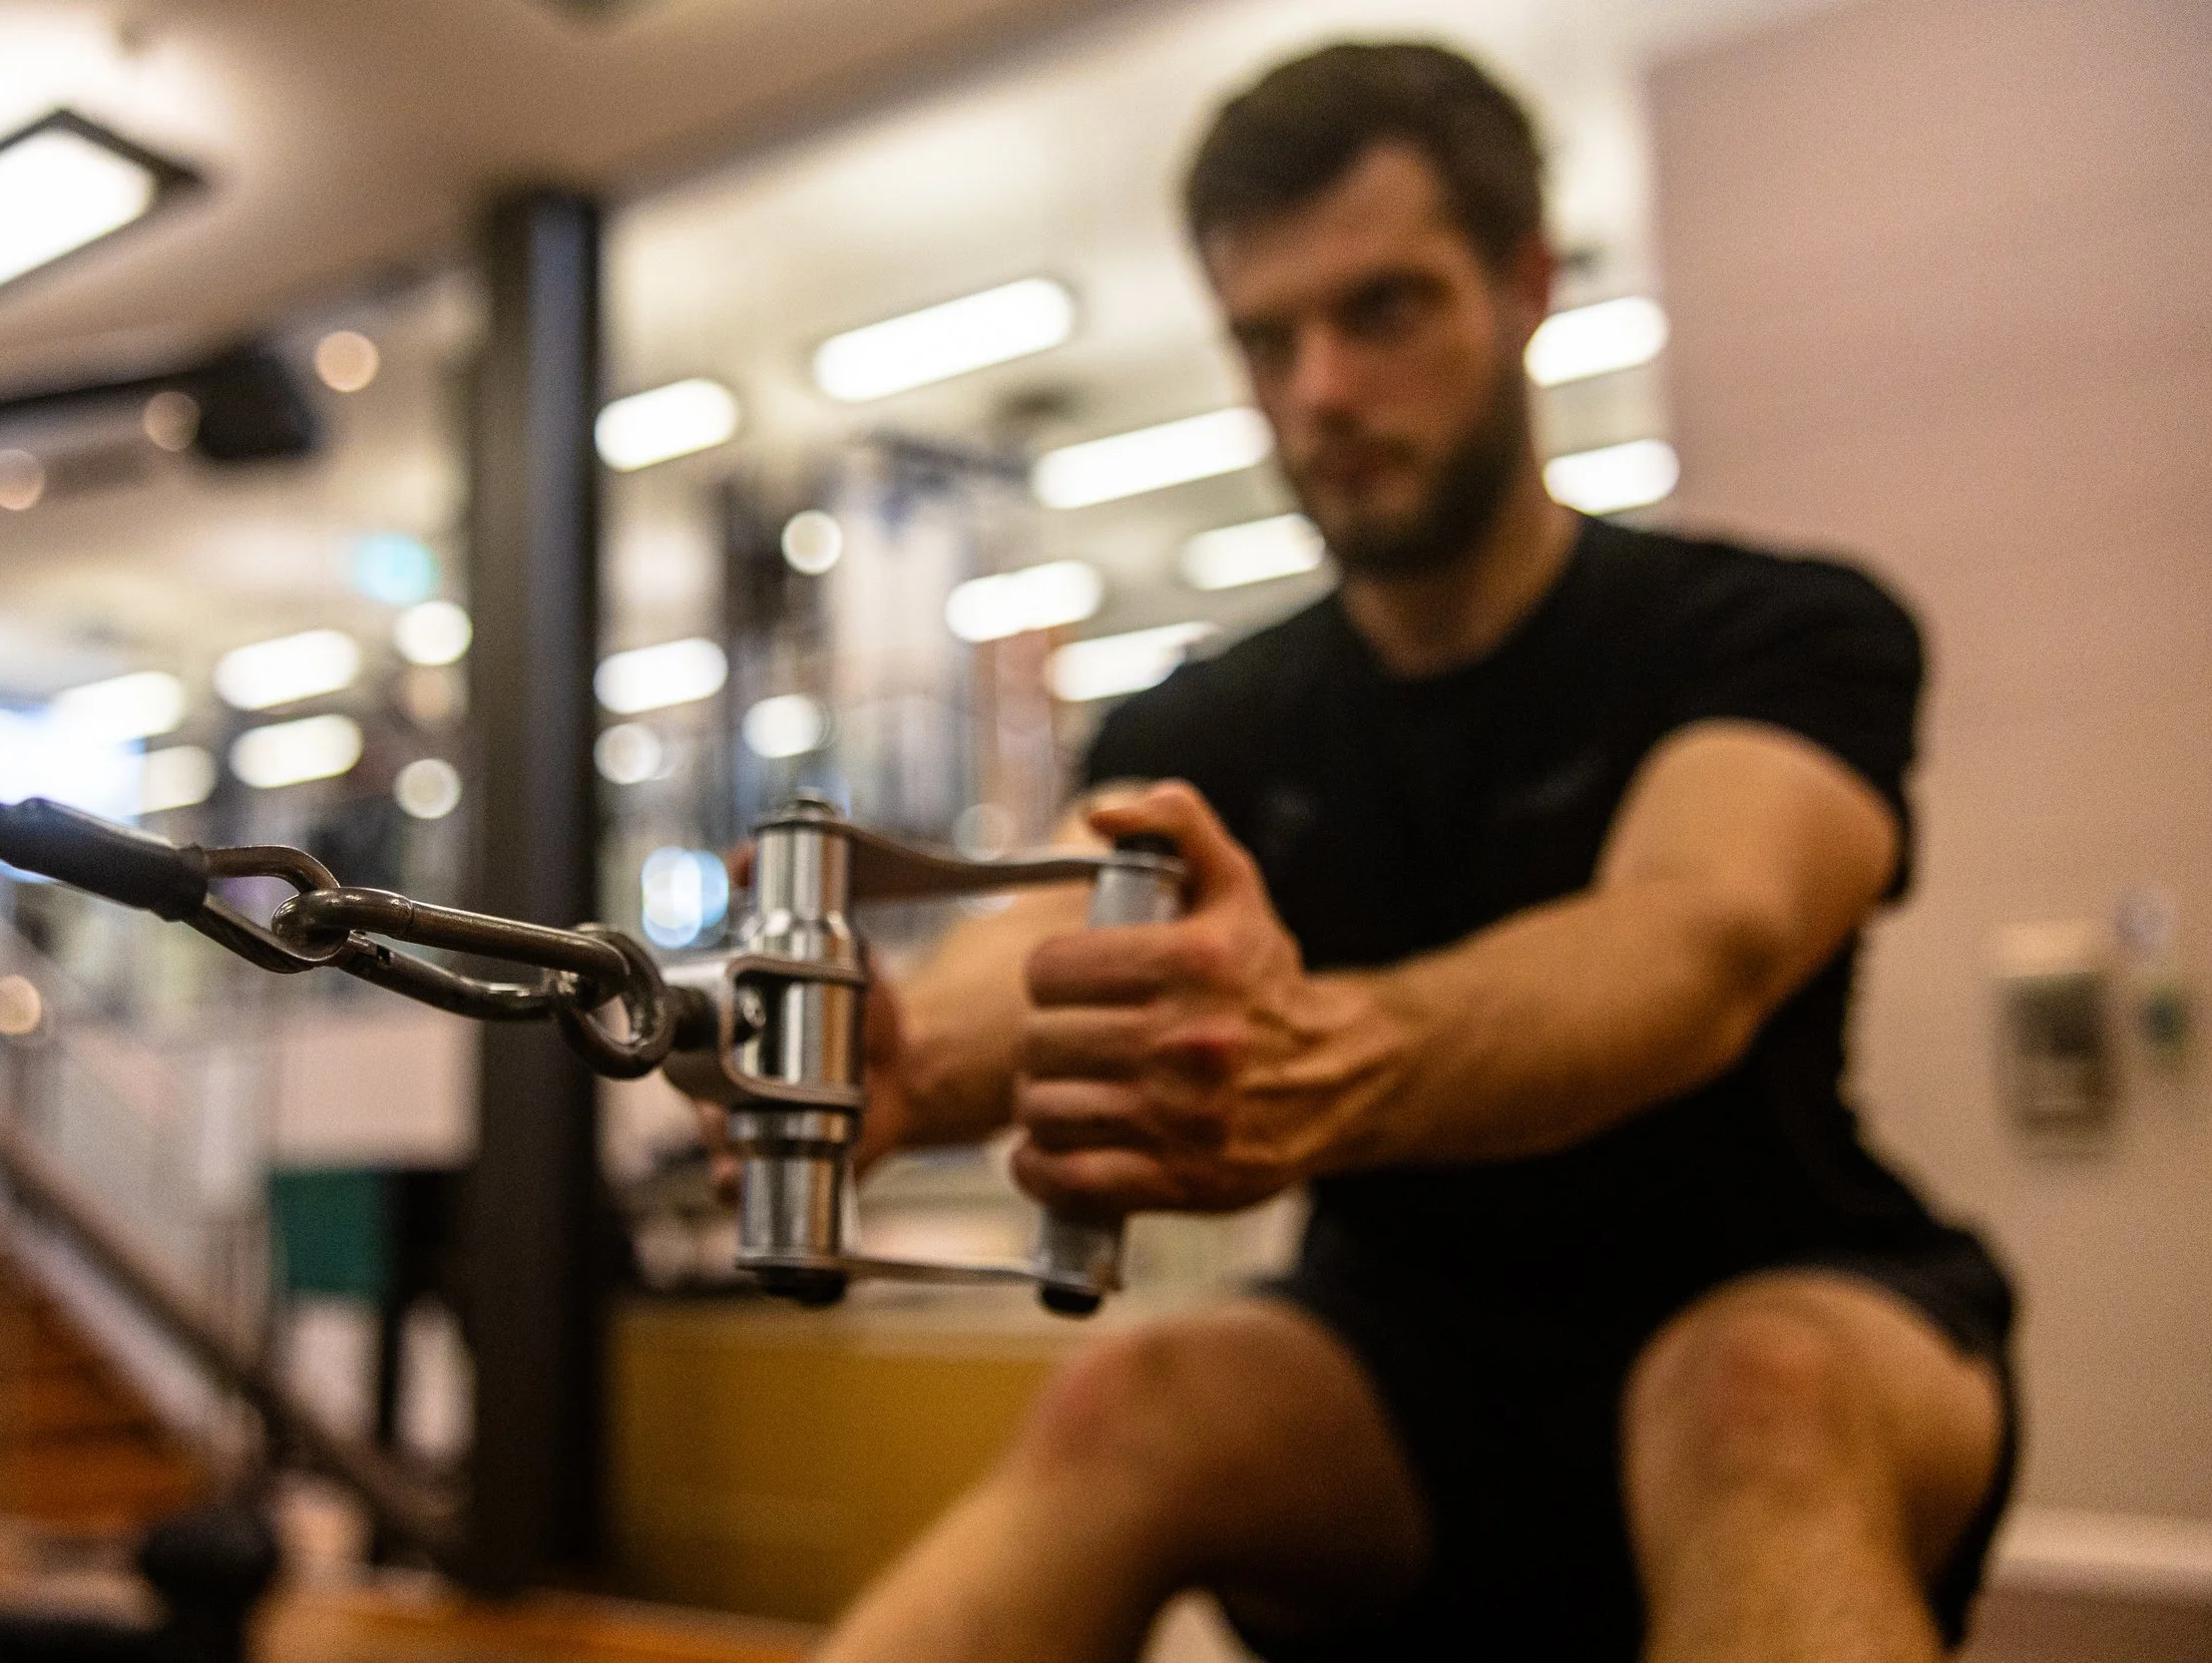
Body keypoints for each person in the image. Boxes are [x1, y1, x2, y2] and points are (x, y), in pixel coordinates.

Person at [798, 42, 2015, 1663]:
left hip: (1790, 1293)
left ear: (1523, 287)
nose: (1320, 392)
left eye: (1380, 311)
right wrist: (896, 1056)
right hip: (1393, 1365)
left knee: (1755, 1403)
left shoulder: (1774, 630)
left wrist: (1329, 1055)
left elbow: (1696, 934)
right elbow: (1065, 937)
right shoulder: (1210, 723)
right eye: (1265, 339)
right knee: (1125, 1401)